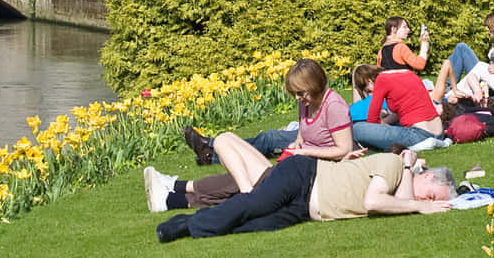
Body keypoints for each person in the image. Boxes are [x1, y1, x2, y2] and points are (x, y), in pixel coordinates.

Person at [151, 135, 453, 241]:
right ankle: (186, 225)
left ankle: (200, 224)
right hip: (303, 176)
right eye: (432, 195)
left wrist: (417, 200)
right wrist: (415, 187)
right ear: (428, 178)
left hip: (305, 207)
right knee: (251, 204)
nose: (428, 201)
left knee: (255, 225)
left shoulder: (402, 185)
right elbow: (374, 202)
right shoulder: (391, 163)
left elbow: (402, 202)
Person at [183, 59, 354, 164]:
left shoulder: (333, 106)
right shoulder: (306, 101)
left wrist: (305, 152)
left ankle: (211, 151)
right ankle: (213, 151)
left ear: (315, 86)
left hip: (319, 163)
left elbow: (344, 149)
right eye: (293, 93)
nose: (297, 98)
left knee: (265, 158)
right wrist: (297, 144)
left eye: (300, 93)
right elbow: (302, 134)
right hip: (303, 158)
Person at [353, 65, 446, 152]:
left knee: (357, 128)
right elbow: (401, 114)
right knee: (395, 125)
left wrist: (382, 124)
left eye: (369, 90)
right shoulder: (408, 73)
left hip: (419, 135)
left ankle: (417, 145)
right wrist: (386, 122)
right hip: (438, 132)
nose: (370, 94)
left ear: (368, 80)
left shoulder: (382, 79)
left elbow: (372, 119)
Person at [433, 12, 494, 103]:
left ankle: (449, 87)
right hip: (489, 74)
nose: (487, 30)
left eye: (489, 27)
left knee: (462, 48)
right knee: (461, 48)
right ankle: (449, 86)